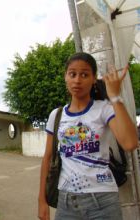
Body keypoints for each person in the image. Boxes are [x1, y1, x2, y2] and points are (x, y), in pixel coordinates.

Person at [38, 52, 138, 220]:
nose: (77, 80)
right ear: (65, 77)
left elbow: (130, 143)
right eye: (72, 74)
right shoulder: (56, 116)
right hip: (66, 202)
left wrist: (115, 96)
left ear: (93, 79)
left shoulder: (104, 109)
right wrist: (41, 199)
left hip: (103, 201)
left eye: (84, 75)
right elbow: (47, 158)